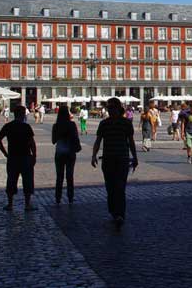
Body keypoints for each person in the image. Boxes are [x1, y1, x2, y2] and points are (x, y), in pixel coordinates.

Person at [91, 97, 138, 228]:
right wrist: (94, 155)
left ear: (118, 109)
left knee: (120, 187)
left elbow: (131, 142)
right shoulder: (104, 123)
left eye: (112, 108)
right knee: (110, 187)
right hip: (108, 159)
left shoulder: (126, 123)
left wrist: (135, 156)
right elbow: (98, 140)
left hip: (122, 159)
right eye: (109, 108)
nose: (110, 110)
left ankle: (120, 214)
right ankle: (113, 211)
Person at [0, 105, 37, 211]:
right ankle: (27, 204)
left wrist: (5, 153)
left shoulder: (9, 126)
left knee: (11, 180)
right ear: (22, 114)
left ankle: (10, 204)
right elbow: (32, 143)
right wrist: (34, 156)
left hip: (13, 157)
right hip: (26, 156)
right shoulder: (26, 127)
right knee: (27, 180)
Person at [52, 106, 80, 205]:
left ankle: (58, 198)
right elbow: (76, 138)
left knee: (59, 177)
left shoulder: (56, 125)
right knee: (70, 176)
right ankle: (70, 197)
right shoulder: (72, 125)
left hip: (59, 152)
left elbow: (53, 141)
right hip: (70, 152)